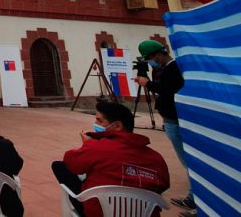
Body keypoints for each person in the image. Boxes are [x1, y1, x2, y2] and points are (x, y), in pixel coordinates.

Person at [52, 101, 170, 217]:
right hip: (145, 213)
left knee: (59, 166)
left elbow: (71, 162)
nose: (95, 123)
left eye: (99, 120)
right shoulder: (157, 158)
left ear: (118, 126)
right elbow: (163, 185)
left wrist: (87, 146)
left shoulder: (97, 147)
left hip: (99, 212)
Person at [136, 40, 194, 216]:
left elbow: (167, 91)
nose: (151, 62)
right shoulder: (165, 69)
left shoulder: (172, 69)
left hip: (175, 121)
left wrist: (147, 84)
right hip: (172, 120)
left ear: (158, 55)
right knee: (187, 159)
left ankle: (194, 196)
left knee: (188, 160)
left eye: (151, 59)